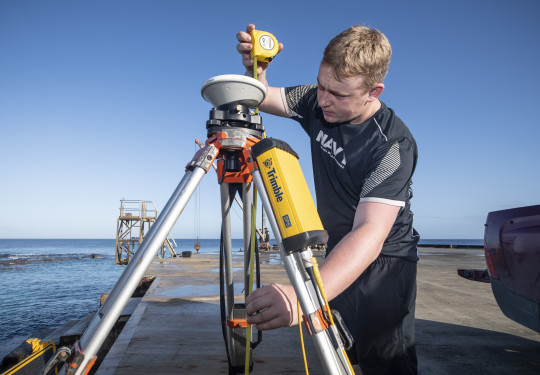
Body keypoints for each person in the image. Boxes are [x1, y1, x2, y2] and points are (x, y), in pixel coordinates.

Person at [237, 24, 419, 375]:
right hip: (340, 253)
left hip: (385, 266)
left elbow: (369, 232)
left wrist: (299, 297)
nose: (323, 100)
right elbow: (262, 95)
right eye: (321, 85)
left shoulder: (392, 145)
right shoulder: (316, 101)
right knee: (341, 352)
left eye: (338, 93)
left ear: (373, 91)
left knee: (386, 365)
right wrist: (256, 70)